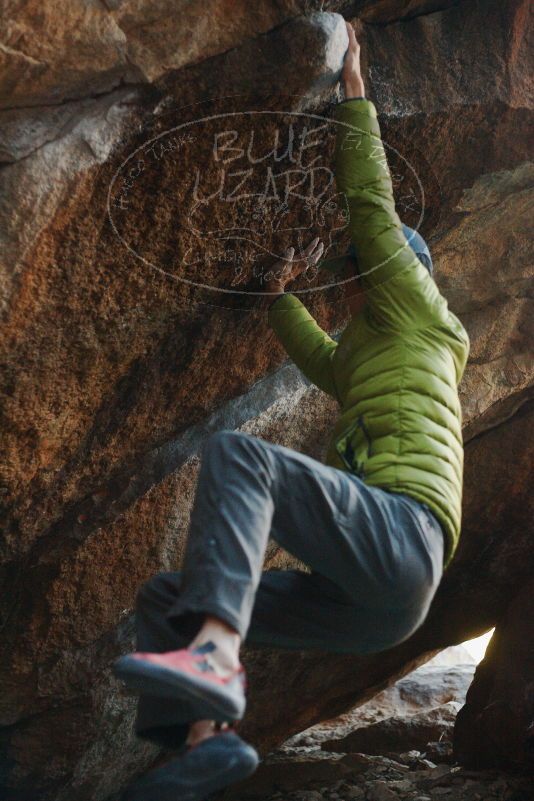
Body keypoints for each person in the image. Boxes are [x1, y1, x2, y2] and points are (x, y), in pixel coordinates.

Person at [113, 21, 470, 801]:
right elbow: (316, 355)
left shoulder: (422, 308)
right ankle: (203, 745)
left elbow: (369, 203)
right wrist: (279, 290)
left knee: (243, 458)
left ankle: (211, 661)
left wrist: (354, 88)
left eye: (358, 267)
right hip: (373, 609)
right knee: (167, 600)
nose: (350, 278)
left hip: (405, 535)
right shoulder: (365, 352)